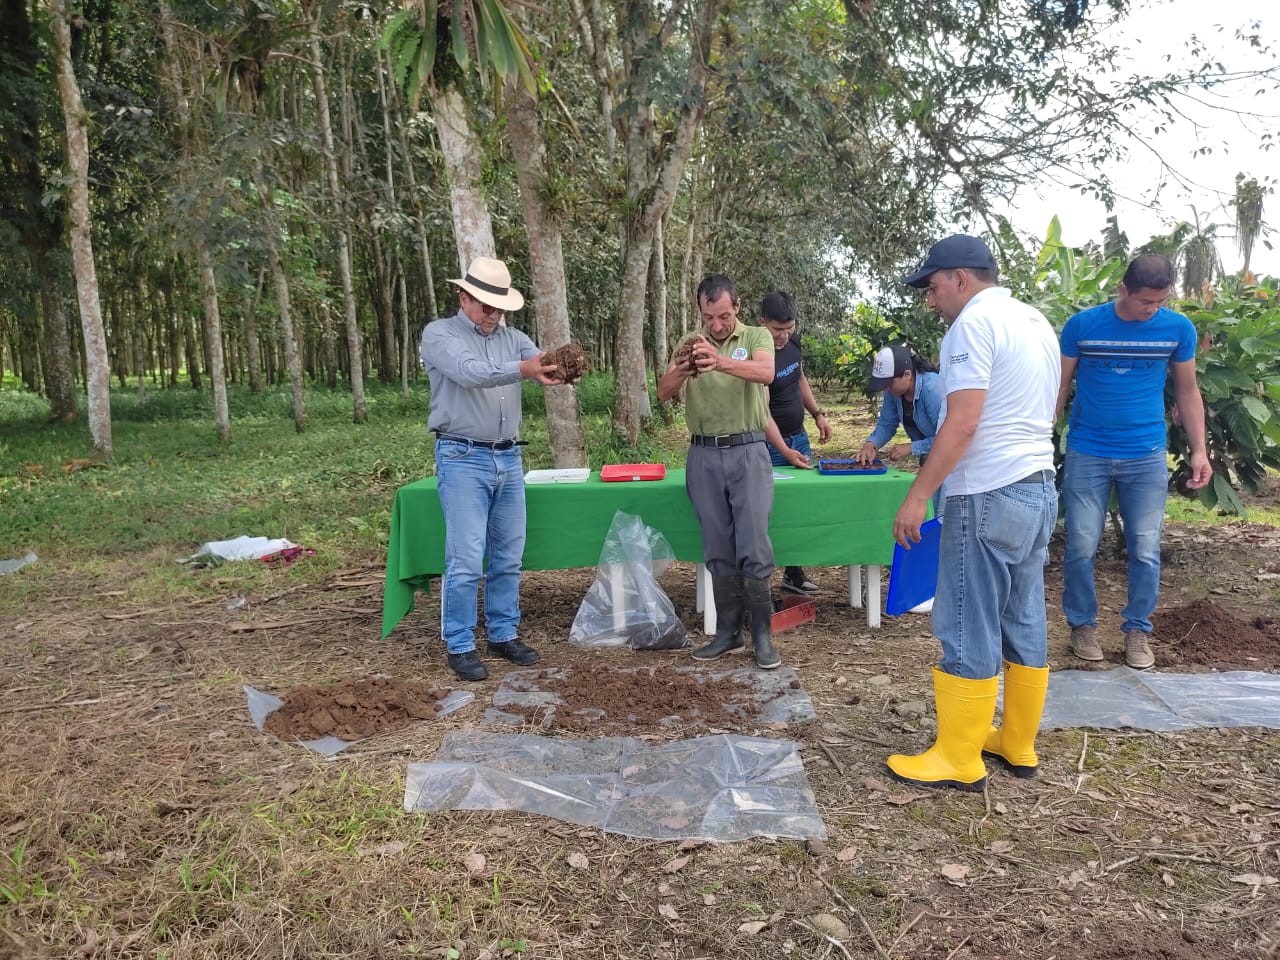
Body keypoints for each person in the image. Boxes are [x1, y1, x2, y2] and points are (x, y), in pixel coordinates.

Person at [886, 235, 1060, 792]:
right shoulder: (1035, 322)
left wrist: (918, 495)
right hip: (1038, 486)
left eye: (933, 286)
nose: (930, 299)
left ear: (960, 278)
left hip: (986, 491)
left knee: (966, 616)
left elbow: (963, 422)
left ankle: (958, 756)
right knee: (1023, 612)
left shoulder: (972, 325)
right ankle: (1017, 741)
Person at [1058, 254, 1211, 670]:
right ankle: (1082, 625)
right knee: (1081, 545)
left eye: (1160, 301)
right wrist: (1041, 432)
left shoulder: (1177, 329)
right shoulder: (1083, 326)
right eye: (1145, 301)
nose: (1152, 309)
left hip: (1145, 454)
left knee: (1144, 548)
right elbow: (1060, 385)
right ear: (1123, 289)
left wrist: (1199, 450)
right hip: (1088, 450)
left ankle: (1137, 630)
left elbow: (1188, 390)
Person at [421, 256, 562, 681]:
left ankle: (503, 633)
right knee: (466, 558)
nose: (493, 314)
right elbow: (470, 373)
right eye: (486, 305)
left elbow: (541, 362)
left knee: (508, 555)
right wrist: (523, 369)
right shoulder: (440, 334)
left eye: (499, 307)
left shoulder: (513, 338)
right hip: (462, 456)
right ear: (463, 297)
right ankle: (460, 642)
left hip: (508, 456)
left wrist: (559, 366)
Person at [657, 274, 782, 669]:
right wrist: (684, 368)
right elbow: (663, 391)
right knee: (717, 544)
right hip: (704, 454)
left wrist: (720, 361)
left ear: (737, 307)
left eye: (724, 316)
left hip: (748, 451)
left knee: (754, 543)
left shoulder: (757, 337)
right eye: (709, 317)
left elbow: (766, 373)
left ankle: (762, 636)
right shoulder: (690, 342)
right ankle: (728, 632)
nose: (716, 325)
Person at [759, 290, 832, 595]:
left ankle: (794, 572)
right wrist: (783, 450)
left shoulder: (793, 344)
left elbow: (799, 379)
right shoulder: (759, 355)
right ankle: (760, 577)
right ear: (762, 323)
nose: (784, 335)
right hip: (770, 446)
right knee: (770, 510)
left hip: (798, 438)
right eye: (778, 329)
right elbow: (760, 411)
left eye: (789, 328)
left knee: (801, 505)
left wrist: (817, 414)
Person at [857, 344, 943, 470]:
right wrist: (871, 444)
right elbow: (887, 423)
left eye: (889, 383)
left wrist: (912, 447)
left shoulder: (932, 390)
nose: (886, 388)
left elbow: (950, 436)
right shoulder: (893, 391)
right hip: (933, 454)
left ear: (907, 375)